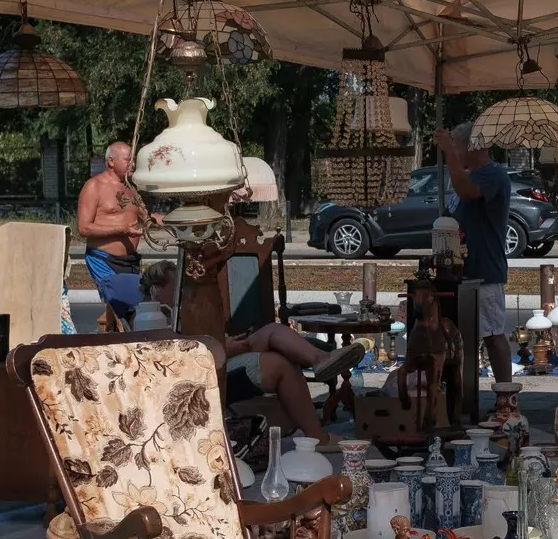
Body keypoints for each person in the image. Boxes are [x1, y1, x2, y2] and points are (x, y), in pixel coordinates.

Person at [138, 262, 363, 437]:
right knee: (278, 363)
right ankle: (317, 436)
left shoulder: (177, 312)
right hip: (203, 368)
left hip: (219, 351)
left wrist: (228, 343)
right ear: (156, 290)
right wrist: (227, 347)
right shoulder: (147, 320)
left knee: (273, 330)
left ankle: (321, 359)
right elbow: (174, 355)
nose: (183, 291)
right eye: (176, 286)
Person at [435, 122, 514, 392]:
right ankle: (460, 394)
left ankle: (506, 394)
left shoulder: (493, 175)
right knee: (458, 337)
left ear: (472, 146)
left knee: (492, 334)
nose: (454, 151)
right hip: (461, 271)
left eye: (457, 145)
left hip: (485, 268)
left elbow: (467, 191)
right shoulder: (466, 176)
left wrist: (448, 154)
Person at [77, 142, 147, 323]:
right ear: (111, 161)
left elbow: (148, 218)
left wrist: (177, 221)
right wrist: (121, 229)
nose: (132, 164)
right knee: (123, 311)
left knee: (135, 309)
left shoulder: (131, 190)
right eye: (127, 160)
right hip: (102, 259)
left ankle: (110, 335)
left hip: (130, 261)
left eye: (133, 160)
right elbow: (84, 228)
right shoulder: (94, 186)